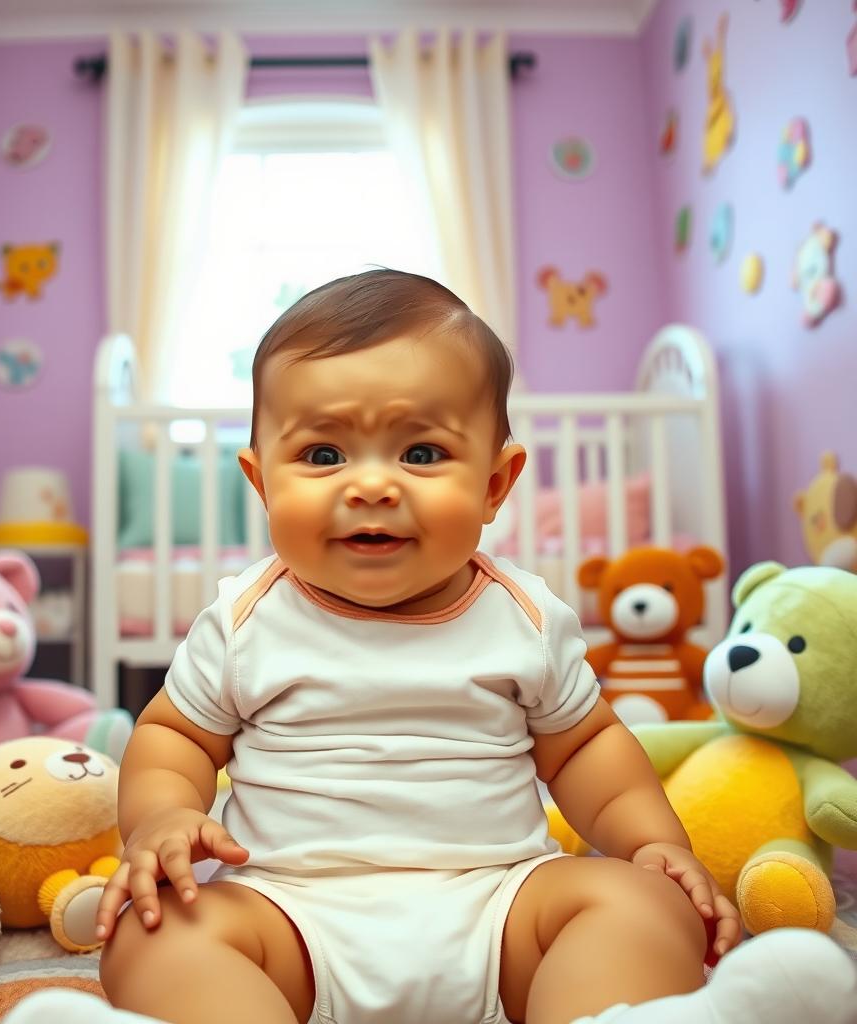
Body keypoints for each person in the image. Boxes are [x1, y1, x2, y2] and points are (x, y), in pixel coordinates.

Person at [86, 270, 857, 1024]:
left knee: (638, 901)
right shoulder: (244, 620)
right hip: (287, 913)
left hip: (502, 909)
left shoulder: (524, 616)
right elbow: (173, 736)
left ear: (496, 484)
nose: (372, 486)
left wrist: (655, 843)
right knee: (153, 932)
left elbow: (587, 749)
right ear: (261, 483)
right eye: (324, 455)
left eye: (420, 453)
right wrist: (160, 818)